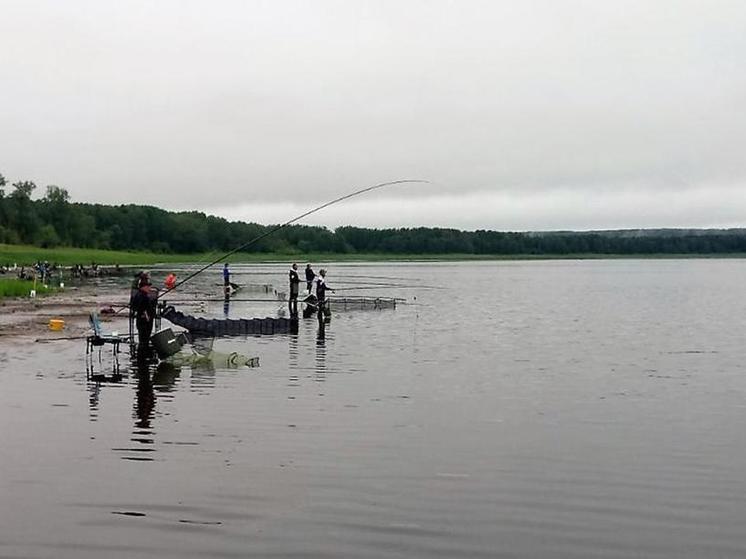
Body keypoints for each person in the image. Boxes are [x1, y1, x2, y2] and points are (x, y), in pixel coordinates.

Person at [131, 272, 158, 356]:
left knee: (142, 339)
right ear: (144, 287)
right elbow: (142, 308)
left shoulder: (138, 295)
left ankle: (142, 355)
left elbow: (134, 306)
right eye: (148, 286)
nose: (149, 288)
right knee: (144, 339)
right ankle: (143, 356)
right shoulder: (143, 296)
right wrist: (146, 315)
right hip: (145, 321)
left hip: (140, 320)